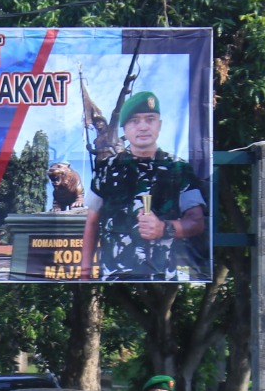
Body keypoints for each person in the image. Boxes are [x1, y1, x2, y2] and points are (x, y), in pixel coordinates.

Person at [78, 91, 207, 281]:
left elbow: (196, 222)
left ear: (159, 125)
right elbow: (92, 222)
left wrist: (165, 228)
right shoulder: (106, 168)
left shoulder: (179, 168)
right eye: (134, 121)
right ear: (124, 128)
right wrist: (85, 273)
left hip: (163, 278)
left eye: (150, 119)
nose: (143, 126)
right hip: (114, 278)